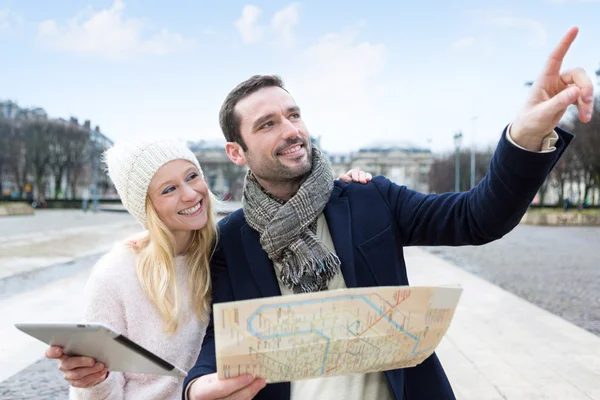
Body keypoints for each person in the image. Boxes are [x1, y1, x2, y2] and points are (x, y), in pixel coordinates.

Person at [184, 26, 594, 400]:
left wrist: (525, 135)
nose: (291, 130)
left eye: (293, 115)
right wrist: (195, 388)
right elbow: (221, 338)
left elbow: (477, 216)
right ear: (236, 152)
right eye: (267, 124)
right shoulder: (231, 239)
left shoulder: (368, 197)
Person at [43, 139, 368, 399]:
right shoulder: (116, 273)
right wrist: (90, 380)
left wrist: (337, 191)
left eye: (191, 176)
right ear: (146, 206)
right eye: (168, 189)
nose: (190, 194)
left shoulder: (228, 247)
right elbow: (99, 392)